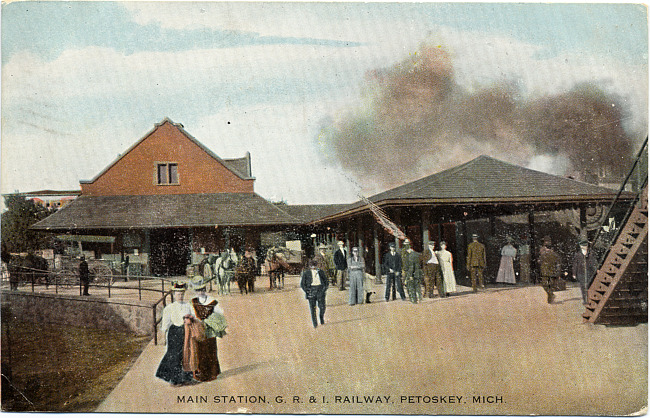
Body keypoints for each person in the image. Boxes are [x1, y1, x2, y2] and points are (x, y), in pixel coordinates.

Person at [155, 282, 196, 386]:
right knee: (174, 355)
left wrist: (190, 319)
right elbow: (165, 324)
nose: (180, 296)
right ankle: (174, 380)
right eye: (178, 294)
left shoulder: (188, 306)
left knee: (186, 354)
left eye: (182, 294)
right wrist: (163, 337)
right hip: (174, 332)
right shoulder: (169, 308)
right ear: (173, 295)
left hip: (186, 331)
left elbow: (194, 317)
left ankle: (187, 378)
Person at [188, 277, 227, 382]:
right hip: (199, 330)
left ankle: (212, 373)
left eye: (202, 290)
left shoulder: (211, 301)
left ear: (205, 289)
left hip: (210, 330)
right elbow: (190, 314)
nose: (200, 292)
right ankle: (201, 373)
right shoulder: (192, 302)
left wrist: (211, 319)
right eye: (197, 290)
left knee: (211, 350)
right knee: (199, 351)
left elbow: (220, 313)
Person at [300, 258, 329, 327]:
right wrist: (307, 291)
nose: (313, 267)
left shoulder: (321, 272)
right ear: (309, 266)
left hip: (320, 290)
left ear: (317, 266)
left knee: (322, 307)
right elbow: (302, 284)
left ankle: (321, 317)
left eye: (315, 266)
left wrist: (324, 289)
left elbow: (326, 282)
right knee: (312, 308)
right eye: (312, 266)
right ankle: (315, 324)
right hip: (311, 291)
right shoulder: (306, 273)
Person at [572, 239, 597, 305]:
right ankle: (585, 300)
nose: (584, 247)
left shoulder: (591, 253)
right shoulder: (577, 254)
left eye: (585, 246)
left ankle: (590, 299)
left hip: (589, 272)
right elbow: (575, 264)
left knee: (589, 285)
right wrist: (574, 273)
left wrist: (596, 269)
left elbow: (594, 262)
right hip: (580, 272)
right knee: (583, 286)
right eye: (583, 246)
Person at [539, 236, 562, 304]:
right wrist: (558, 272)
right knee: (550, 285)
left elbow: (539, 262)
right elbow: (558, 263)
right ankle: (550, 297)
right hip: (551, 272)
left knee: (545, 285)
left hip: (545, 272)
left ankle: (550, 297)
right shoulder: (555, 254)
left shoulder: (543, 254)